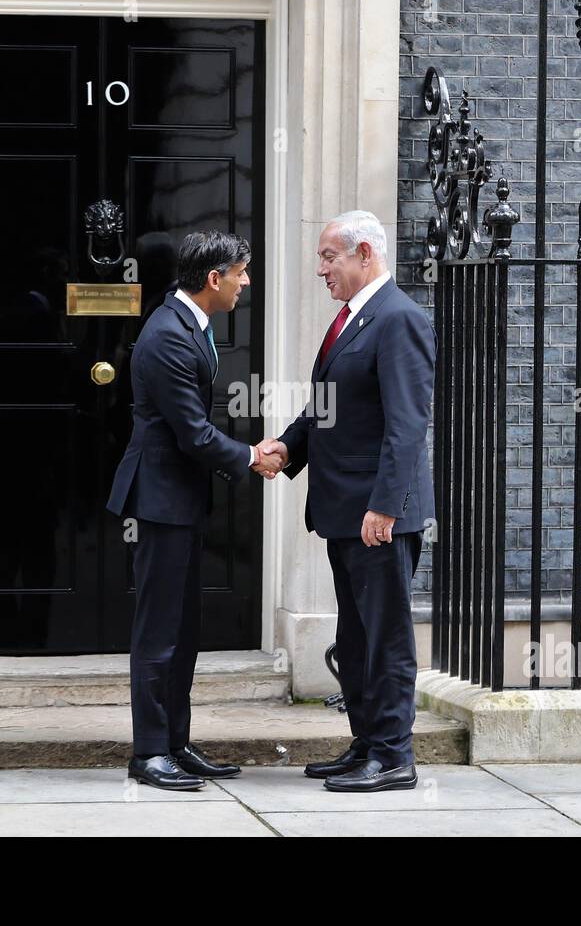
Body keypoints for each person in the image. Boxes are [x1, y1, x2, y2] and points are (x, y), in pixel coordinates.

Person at [256, 210, 436, 793]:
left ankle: (393, 755)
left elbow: (407, 426)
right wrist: (287, 447)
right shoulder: (352, 320)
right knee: (357, 637)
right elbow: (326, 409)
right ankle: (366, 744)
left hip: (377, 515)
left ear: (364, 253)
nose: (320, 269)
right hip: (346, 513)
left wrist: (385, 507)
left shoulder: (399, 319)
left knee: (386, 637)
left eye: (329, 256)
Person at [107, 230, 283, 791]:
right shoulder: (167, 337)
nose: (245, 282)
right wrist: (252, 456)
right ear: (214, 278)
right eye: (241, 272)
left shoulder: (191, 325)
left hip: (180, 499)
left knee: (183, 629)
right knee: (158, 631)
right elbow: (192, 433)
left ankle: (175, 743)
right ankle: (149, 751)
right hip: (159, 501)